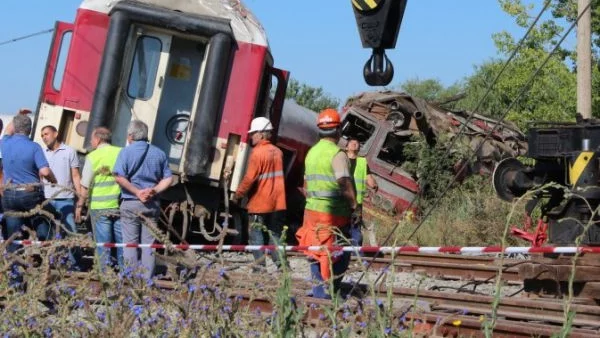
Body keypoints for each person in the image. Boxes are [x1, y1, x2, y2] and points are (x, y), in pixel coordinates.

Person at [296, 108, 359, 299]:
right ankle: (329, 290)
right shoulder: (337, 154)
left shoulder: (311, 153)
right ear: (338, 130)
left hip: (311, 212)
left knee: (315, 251)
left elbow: (306, 186)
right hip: (334, 214)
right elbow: (344, 183)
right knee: (340, 252)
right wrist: (354, 206)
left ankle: (319, 291)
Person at [114, 120, 173, 280]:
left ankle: (132, 279)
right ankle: (147, 279)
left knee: (130, 244)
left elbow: (119, 177)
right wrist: (153, 191)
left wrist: (137, 192)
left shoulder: (125, 153)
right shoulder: (159, 153)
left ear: (130, 136)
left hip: (131, 202)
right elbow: (169, 179)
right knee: (149, 245)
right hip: (151, 204)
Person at [233, 117, 287, 270]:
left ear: (262, 134)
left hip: (261, 202)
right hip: (278, 202)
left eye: (254, 133)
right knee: (275, 234)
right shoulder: (278, 152)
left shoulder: (258, 153)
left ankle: (260, 267)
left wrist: (238, 194)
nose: (251, 136)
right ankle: (282, 265)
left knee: (256, 234)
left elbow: (249, 178)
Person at [1, 113, 57, 254]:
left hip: (9, 195)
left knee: (14, 235)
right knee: (46, 217)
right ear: (30, 130)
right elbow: (44, 171)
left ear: (15, 127)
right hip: (29, 194)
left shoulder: (5, 142)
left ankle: (15, 269)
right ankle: (44, 249)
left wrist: (19, 114)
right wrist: (53, 180)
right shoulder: (34, 147)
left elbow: (8, 130)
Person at [76, 127, 123, 268]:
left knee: (103, 245)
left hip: (100, 207)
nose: (91, 141)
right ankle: (125, 274)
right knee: (122, 244)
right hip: (119, 205)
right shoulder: (121, 152)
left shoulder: (93, 156)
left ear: (97, 139)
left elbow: (84, 185)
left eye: (91, 139)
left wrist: (79, 206)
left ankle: (105, 275)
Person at [40, 125, 82, 269]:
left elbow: (75, 175)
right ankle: (53, 264)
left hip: (66, 198)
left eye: (46, 134)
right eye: (42, 135)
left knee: (71, 232)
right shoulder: (42, 153)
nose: (44, 137)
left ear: (56, 134)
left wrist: (80, 197)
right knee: (50, 233)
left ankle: (75, 265)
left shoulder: (70, 151)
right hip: (47, 199)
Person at [345, 137, 378, 247]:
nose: (355, 144)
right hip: (341, 201)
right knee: (340, 227)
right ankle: (340, 251)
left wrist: (373, 184)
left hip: (356, 202)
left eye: (357, 143)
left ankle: (356, 253)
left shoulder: (362, 162)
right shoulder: (341, 159)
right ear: (346, 146)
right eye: (352, 142)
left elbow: (368, 177)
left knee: (355, 229)